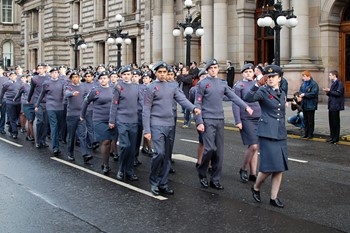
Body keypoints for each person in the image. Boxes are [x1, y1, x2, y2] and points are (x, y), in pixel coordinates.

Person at [142, 61, 201, 196]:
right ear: (155, 73)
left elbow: (182, 99)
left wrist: (193, 108)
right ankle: (154, 182)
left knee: (167, 156)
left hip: (170, 124)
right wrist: (147, 130)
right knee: (159, 153)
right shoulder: (151, 87)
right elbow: (146, 110)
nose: (162, 75)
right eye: (160, 72)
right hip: (156, 124)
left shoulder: (173, 86)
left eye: (164, 72)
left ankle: (163, 183)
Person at [194, 58, 253, 190]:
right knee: (210, 149)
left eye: (215, 68)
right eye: (211, 68)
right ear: (208, 70)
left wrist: (245, 107)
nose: (213, 70)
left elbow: (233, 97)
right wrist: (199, 121)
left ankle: (215, 179)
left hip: (219, 119)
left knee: (219, 152)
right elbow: (197, 103)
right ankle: (202, 172)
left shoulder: (222, 83)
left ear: (218, 69)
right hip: (207, 119)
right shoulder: (202, 84)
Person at [244, 64, 288, 208]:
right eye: (268, 77)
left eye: (273, 77)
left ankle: (273, 198)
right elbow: (248, 97)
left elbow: (281, 111)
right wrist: (257, 84)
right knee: (269, 167)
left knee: (279, 167)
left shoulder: (282, 92)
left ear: (279, 78)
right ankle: (256, 187)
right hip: (267, 132)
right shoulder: (263, 91)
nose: (270, 79)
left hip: (280, 133)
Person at [109, 65, 140, 181]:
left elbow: (141, 103)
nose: (126, 76)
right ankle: (121, 169)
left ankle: (129, 170)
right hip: (122, 120)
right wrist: (112, 120)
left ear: (131, 75)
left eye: (128, 74)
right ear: (121, 76)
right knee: (125, 145)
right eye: (124, 74)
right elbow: (114, 104)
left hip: (134, 121)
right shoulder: (118, 87)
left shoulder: (137, 87)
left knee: (132, 148)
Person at [81, 71, 116, 175]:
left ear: (108, 79)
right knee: (105, 141)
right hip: (99, 119)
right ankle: (105, 164)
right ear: (98, 80)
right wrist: (82, 115)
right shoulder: (95, 91)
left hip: (112, 119)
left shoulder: (114, 89)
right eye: (101, 78)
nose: (103, 80)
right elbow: (86, 102)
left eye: (105, 78)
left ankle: (107, 160)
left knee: (111, 140)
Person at [232, 63, 261, 183]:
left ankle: (253, 173)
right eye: (246, 72)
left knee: (255, 147)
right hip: (246, 118)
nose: (249, 73)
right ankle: (243, 168)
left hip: (258, 117)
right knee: (253, 145)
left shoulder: (258, 84)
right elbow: (235, 103)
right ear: (242, 73)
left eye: (250, 71)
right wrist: (237, 120)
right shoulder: (239, 86)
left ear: (254, 73)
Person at [35, 67, 66, 155]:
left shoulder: (62, 82)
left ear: (58, 73)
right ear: (50, 74)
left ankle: (56, 143)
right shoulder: (47, 83)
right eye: (52, 73)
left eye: (56, 72)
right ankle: (55, 147)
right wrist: (37, 105)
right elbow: (42, 94)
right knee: (54, 126)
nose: (54, 74)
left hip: (60, 107)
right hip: (51, 107)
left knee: (60, 126)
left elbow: (66, 92)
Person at [64, 71, 92, 163]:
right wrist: (72, 93)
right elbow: (66, 93)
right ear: (71, 79)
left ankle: (85, 155)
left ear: (79, 77)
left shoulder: (83, 87)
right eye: (73, 77)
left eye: (77, 77)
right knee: (71, 136)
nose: (75, 78)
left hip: (80, 115)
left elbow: (86, 98)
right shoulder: (68, 86)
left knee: (82, 135)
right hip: (71, 115)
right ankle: (70, 154)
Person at [27, 63, 50, 148]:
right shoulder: (35, 78)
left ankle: (43, 140)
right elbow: (31, 90)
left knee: (46, 122)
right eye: (38, 68)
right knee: (40, 121)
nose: (39, 70)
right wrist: (29, 99)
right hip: (38, 102)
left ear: (44, 69)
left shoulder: (48, 78)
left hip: (47, 102)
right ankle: (38, 140)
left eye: (41, 68)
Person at [323, 70, 345, 144]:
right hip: (332, 105)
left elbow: (339, 93)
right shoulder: (333, 83)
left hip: (336, 105)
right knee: (331, 122)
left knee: (335, 123)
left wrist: (329, 91)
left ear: (334, 75)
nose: (329, 76)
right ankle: (332, 137)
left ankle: (335, 138)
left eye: (330, 75)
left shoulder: (339, 83)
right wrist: (328, 92)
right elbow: (333, 93)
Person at [0, 71, 21, 139]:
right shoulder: (6, 84)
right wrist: (0, 101)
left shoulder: (19, 83)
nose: (13, 77)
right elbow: (2, 92)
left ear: (16, 76)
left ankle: (11, 129)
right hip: (9, 102)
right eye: (11, 76)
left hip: (18, 102)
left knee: (16, 117)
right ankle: (14, 132)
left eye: (14, 75)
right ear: (9, 76)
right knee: (12, 117)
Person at [298, 70, 319, 139]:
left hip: (311, 104)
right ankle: (306, 133)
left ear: (308, 76)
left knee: (310, 120)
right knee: (305, 120)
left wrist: (305, 94)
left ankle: (310, 134)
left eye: (304, 76)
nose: (303, 78)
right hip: (304, 104)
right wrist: (300, 94)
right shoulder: (303, 83)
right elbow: (300, 90)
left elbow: (314, 93)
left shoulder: (314, 84)